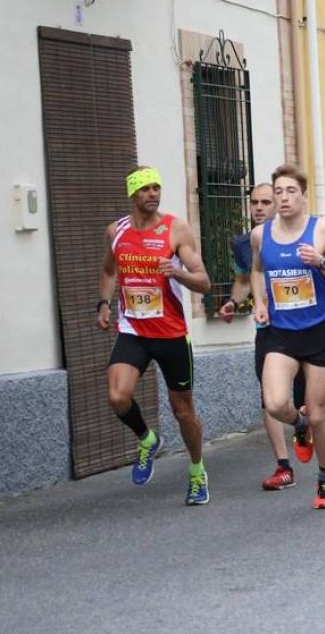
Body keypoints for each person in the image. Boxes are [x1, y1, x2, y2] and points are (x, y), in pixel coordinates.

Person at [98, 167, 212, 505]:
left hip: (171, 333)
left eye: (156, 188)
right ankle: (147, 439)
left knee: (183, 410)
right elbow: (108, 270)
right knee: (118, 397)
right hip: (133, 329)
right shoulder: (115, 231)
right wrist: (103, 303)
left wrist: (178, 272)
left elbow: (204, 281)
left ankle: (197, 472)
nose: (152, 194)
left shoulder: (175, 229)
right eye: (145, 189)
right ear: (132, 194)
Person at [251, 165, 325, 510]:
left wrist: (320, 262)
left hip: (318, 332)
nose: (283, 197)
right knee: (276, 403)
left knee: (321, 414)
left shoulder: (321, 230)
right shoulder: (260, 235)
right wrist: (261, 302)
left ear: (303, 194)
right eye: (278, 191)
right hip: (281, 333)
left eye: (290, 191)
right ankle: (299, 424)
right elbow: (256, 270)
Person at [219, 183, 308, 490]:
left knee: (304, 399)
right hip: (269, 330)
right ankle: (283, 466)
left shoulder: (302, 234)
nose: (258, 207)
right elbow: (243, 280)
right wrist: (233, 302)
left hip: (304, 326)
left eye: (265, 202)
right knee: (270, 400)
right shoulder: (244, 244)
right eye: (254, 202)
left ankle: (305, 430)